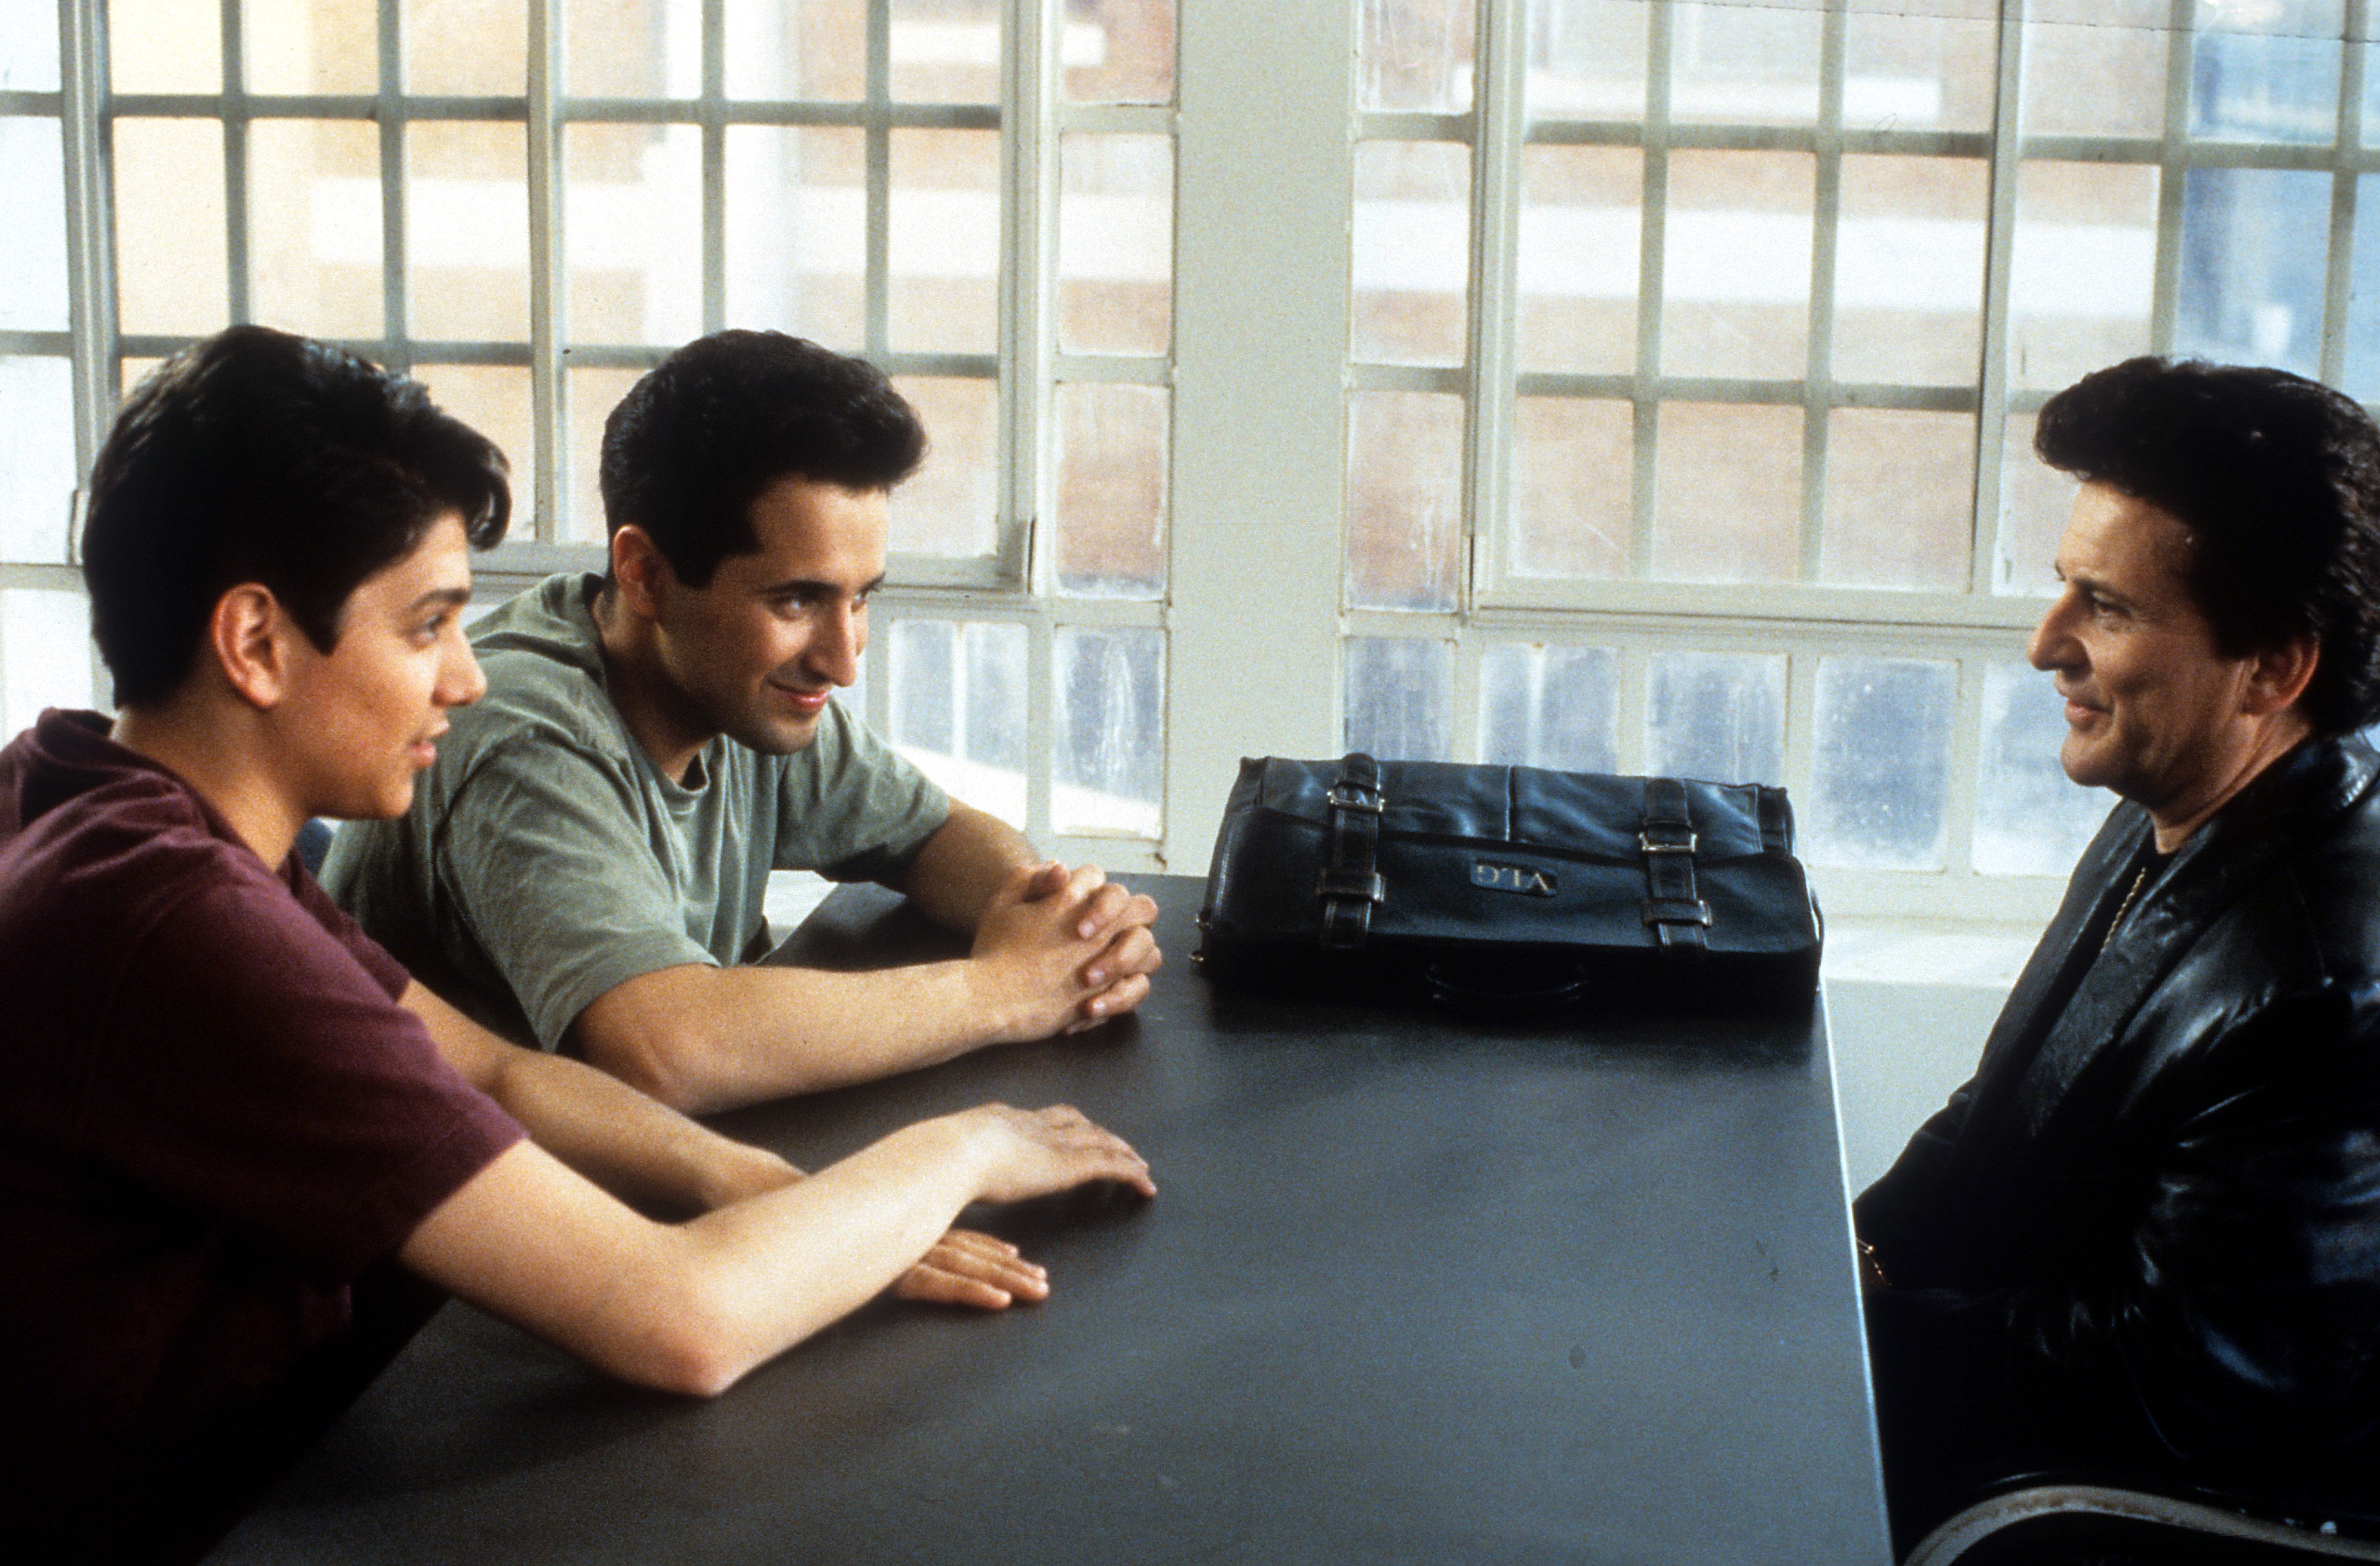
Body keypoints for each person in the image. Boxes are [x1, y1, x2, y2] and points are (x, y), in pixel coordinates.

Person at [0, 326, 1156, 1566]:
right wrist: (965, 1144)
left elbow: (491, 1071)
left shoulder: (118, 804)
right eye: (426, 626)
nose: (466, 677)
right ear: (255, 644)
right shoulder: (170, 914)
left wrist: (764, 1189)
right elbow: (683, 1321)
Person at [322, 330, 1161, 1114]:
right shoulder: (521, 729)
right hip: (442, 1260)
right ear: (645, 574)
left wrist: (1065, 930)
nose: (842, 659)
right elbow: (663, 1048)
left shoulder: (739, 689)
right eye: (797, 599)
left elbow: (934, 834)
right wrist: (1006, 989)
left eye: (861, 596)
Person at [1855, 355, 2380, 1551]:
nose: (2046, 645)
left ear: (2274, 668)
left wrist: (1853, 1330)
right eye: (2061, 590)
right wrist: (1845, 1253)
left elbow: (2180, 1384)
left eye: (2107, 607)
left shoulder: (2321, 986)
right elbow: (2001, 1110)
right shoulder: (2177, 800)